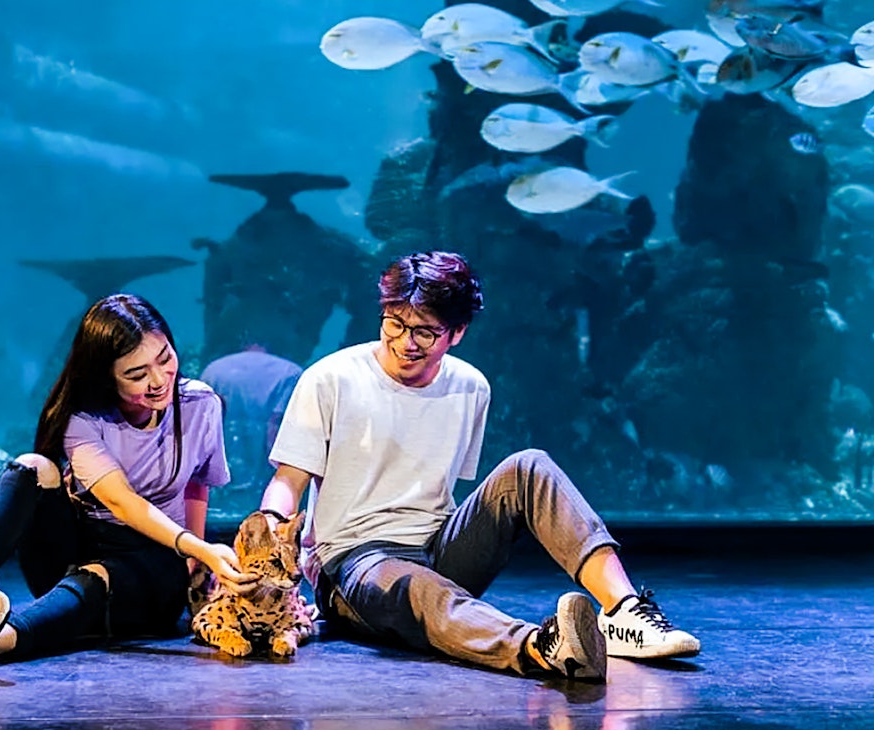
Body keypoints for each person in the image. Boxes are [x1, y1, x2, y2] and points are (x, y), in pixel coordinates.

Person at [257, 251, 700, 681]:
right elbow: (288, 481)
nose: (406, 342)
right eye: (395, 324)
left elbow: (439, 490)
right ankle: (541, 648)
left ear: (458, 332)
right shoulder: (330, 378)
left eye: (426, 332)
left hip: (438, 549)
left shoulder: (471, 387)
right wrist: (265, 540)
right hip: (356, 564)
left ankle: (624, 613)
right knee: (417, 589)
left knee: (530, 467)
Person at [0, 293, 256, 671]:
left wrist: (194, 556)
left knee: (99, 577)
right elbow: (121, 503)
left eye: (165, 359)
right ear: (106, 377)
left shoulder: (199, 404)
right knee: (32, 466)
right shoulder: (84, 420)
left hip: (153, 561)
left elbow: (197, 482)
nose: (159, 380)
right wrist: (203, 548)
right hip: (79, 549)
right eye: (137, 374)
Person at [199, 345, 302, 513]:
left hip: (219, 485)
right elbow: (275, 431)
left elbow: (202, 430)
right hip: (263, 484)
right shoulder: (291, 372)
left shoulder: (213, 370)